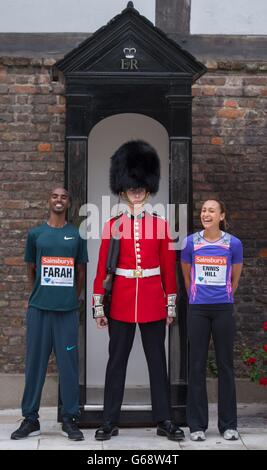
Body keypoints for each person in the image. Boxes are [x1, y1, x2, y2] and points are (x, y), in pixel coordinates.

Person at [92, 140, 185, 441]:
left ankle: (164, 420)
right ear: (123, 189)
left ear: (147, 189)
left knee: (157, 361)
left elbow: (168, 269)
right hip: (120, 301)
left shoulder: (161, 225)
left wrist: (170, 304)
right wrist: (98, 306)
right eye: (131, 187)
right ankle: (109, 420)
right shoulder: (111, 225)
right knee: (116, 361)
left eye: (141, 187)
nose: (136, 191)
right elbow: (101, 269)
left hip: (152, 302)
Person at [11, 187, 88, 441]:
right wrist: (39, 294)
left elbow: (80, 274)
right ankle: (30, 419)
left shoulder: (76, 235)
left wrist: (71, 299)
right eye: (55, 196)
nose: (59, 200)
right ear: (49, 201)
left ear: (69, 203)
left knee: (68, 367)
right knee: (35, 365)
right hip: (39, 310)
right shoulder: (36, 234)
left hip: (66, 312)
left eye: (64, 196)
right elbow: (31, 268)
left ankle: (70, 419)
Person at [181, 199, 243, 442]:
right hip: (198, 309)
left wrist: (223, 297)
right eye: (203, 210)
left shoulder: (233, 244)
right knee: (196, 366)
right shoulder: (190, 242)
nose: (206, 214)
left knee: (226, 366)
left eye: (211, 210)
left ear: (222, 216)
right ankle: (197, 425)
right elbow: (187, 276)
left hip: (223, 309)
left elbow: (235, 279)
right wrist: (197, 298)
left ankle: (229, 425)